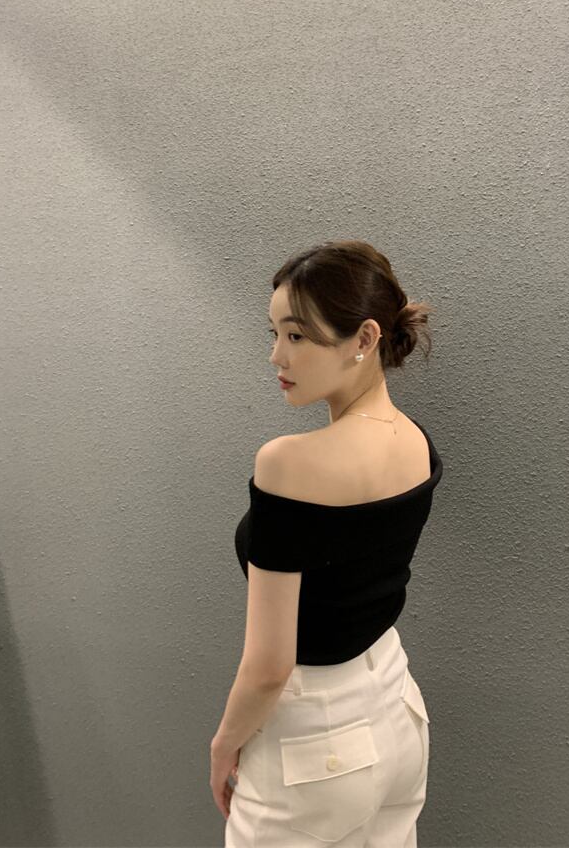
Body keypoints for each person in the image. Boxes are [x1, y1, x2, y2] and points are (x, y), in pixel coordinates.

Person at [222, 239, 444, 847]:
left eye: (296, 335)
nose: (277, 355)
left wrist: (224, 744)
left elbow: (269, 666)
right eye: (274, 333)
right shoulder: (414, 441)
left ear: (365, 338)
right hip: (397, 708)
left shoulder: (287, 463)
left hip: (314, 743)